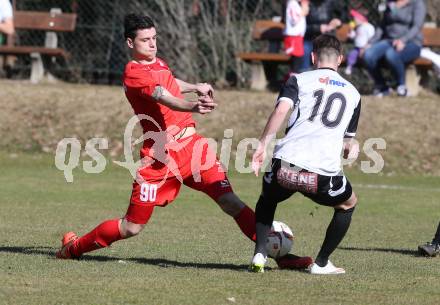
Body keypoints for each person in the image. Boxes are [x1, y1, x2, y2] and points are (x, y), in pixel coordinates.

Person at [55, 13, 312, 270]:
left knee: (230, 201)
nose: (153, 43)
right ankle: (74, 248)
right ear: (130, 43)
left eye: (154, 38)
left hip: (193, 149)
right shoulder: (134, 73)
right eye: (145, 40)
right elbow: (163, 96)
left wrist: (194, 86)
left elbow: (169, 82)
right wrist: (193, 105)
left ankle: (279, 256)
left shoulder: (158, 63)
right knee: (132, 226)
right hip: (160, 158)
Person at [249, 34, 361, 274]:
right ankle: (321, 264)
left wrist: (262, 145)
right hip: (321, 176)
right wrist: (353, 147)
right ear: (340, 59)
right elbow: (347, 143)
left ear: (312, 57)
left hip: (285, 168)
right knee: (348, 203)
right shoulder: (354, 93)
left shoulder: (298, 80)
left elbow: (281, 111)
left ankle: (259, 253)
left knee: (268, 198)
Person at [363, 0, 426, 97]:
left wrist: (403, 40)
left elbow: (417, 26)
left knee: (391, 54)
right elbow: (382, 26)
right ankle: (382, 87)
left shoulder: (417, 3)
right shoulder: (390, 3)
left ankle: (401, 86)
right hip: (389, 41)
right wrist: (370, 42)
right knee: (368, 55)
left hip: (412, 42)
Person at [300, 0, 347, 72]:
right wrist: (318, 28)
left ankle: (327, 76)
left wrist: (339, 21)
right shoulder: (305, 3)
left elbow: (345, 12)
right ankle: (304, 76)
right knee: (304, 50)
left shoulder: (331, 2)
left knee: (330, 51)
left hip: (326, 39)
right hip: (309, 38)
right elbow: (299, 27)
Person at [344, 9, 375, 76]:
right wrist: (351, 34)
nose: (354, 20)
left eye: (355, 18)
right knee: (351, 55)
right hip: (357, 48)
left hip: (366, 48)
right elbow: (355, 36)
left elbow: (372, 37)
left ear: (361, 18)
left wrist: (368, 46)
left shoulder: (368, 27)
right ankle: (349, 67)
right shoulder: (358, 27)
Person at [283, 0, 309, 74]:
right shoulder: (292, 4)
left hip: (297, 36)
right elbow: (294, 20)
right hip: (293, 37)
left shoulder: (295, 4)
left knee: (297, 59)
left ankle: (292, 78)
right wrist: (303, 12)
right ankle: (292, 79)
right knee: (296, 59)